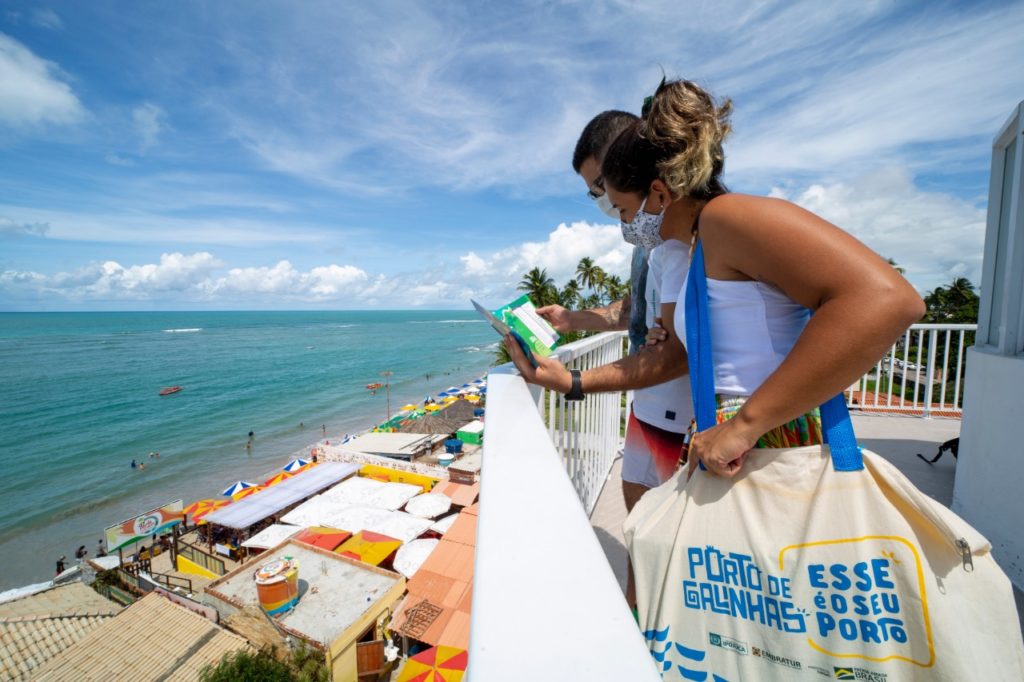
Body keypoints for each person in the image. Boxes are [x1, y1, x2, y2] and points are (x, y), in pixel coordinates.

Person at [601, 79, 923, 477]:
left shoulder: (725, 217)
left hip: (765, 439)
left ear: (659, 194)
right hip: (741, 436)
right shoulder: (701, 243)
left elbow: (886, 298)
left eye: (622, 211)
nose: (627, 225)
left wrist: (746, 425)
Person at [506, 109, 694, 616]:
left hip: (677, 405)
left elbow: (678, 349)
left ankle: (651, 626)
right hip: (648, 398)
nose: (604, 204)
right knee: (641, 521)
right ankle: (640, 617)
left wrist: (571, 381)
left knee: (665, 531)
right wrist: (570, 319)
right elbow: (632, 312)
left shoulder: (678, 239)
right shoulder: (649, 242)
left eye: (602, 190)